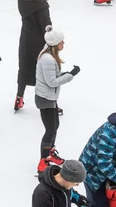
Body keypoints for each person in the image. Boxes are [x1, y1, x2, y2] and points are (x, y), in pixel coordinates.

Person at [35, 26, 79, 174]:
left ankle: (50, 153)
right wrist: (71, 75)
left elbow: (53, 75)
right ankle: (43, 161)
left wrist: (64, 73)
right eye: (61, 42)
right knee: (50, 129)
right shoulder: (47, 59)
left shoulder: (49, 55)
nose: (63, 44)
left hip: (49, 97)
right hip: (45, 98)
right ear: (55, 44)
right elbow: (52, 82)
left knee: (55, 125)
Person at [15, 0, 51, 112]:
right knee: (45, 71)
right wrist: (52, 40)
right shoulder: (42, 5)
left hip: (25, 39)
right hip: (40, 42)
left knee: (24, 68)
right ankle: (49, 102)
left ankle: (19, 97)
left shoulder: (24, 2)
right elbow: (46, 26)